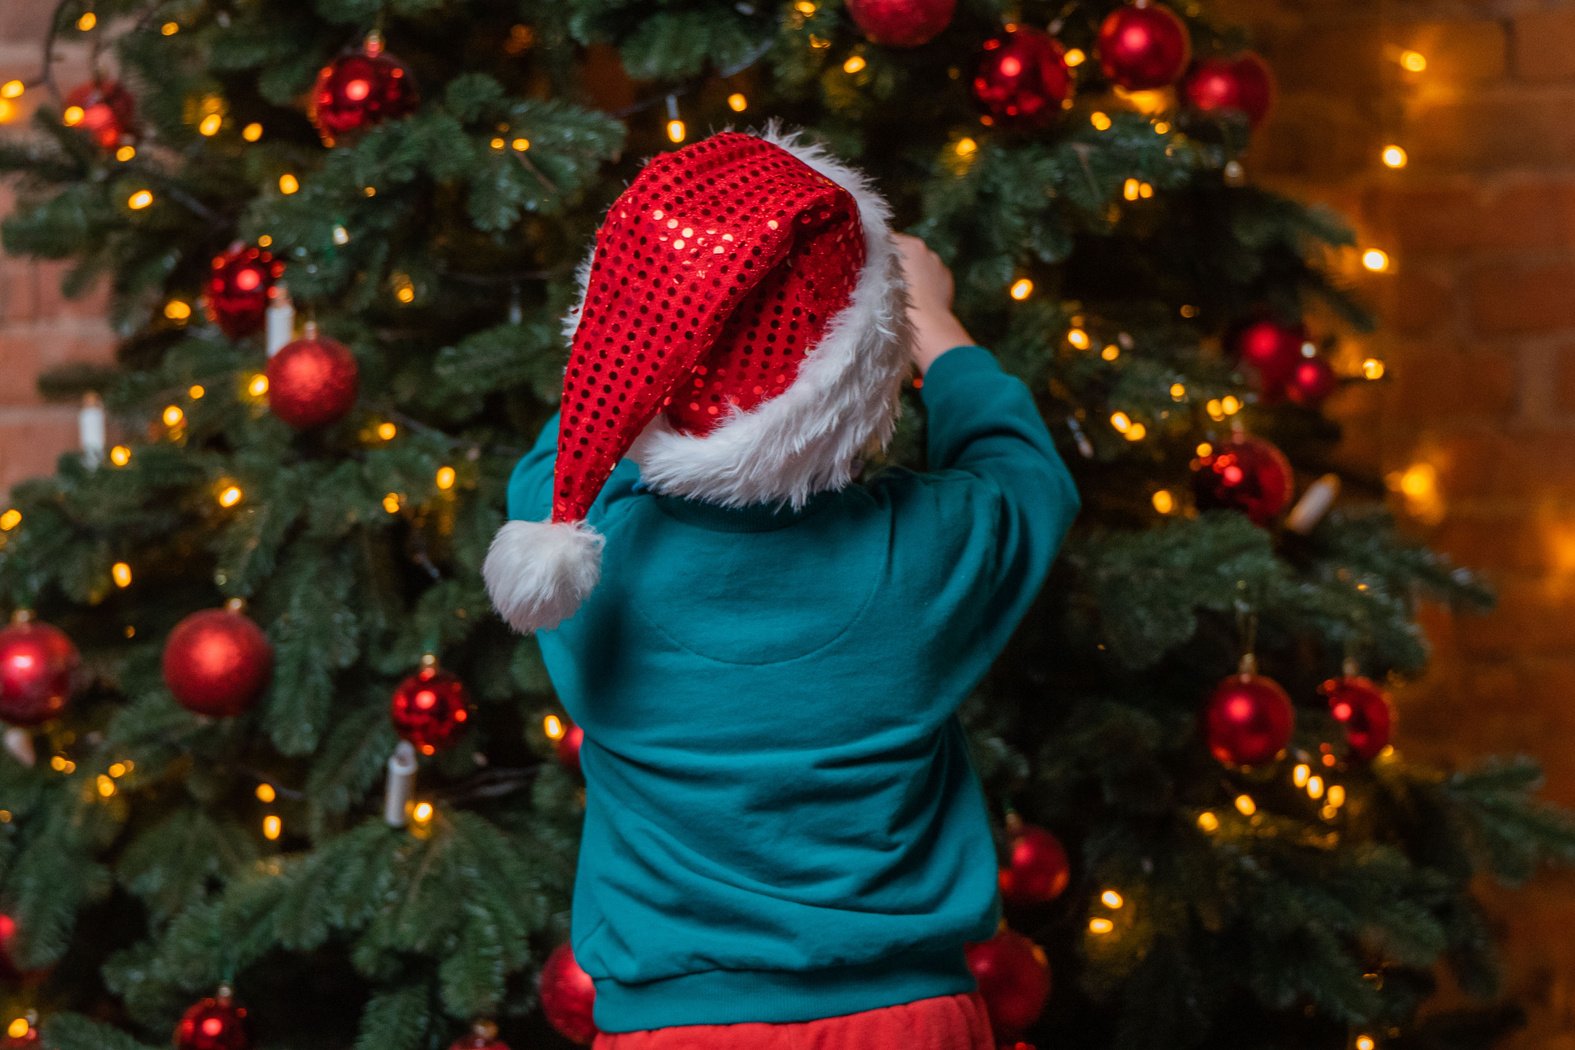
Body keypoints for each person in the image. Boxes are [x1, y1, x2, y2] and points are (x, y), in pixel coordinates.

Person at [484, 127, 1080, 1049]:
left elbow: (581, 428)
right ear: (865, 362)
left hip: (669, 1030)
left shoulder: (575, 542)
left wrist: (670, 298)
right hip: (905, 1023)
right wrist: (938, 329)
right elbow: (1025, 476)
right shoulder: (924, 548)